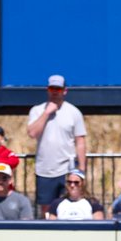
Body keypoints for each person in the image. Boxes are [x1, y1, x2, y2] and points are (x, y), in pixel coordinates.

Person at [26, 74, 87, 215]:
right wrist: (46, 113)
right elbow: (32, 133)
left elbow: (80, 141)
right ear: (47, 89)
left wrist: (82, 169)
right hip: (45, 169)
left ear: (65, 91)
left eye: (58, 89)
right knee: (46, 209)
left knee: (68, 206)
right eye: (52, 88)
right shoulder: (37, 110)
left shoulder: (74, 112)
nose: (55, 91)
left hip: (67, 169)